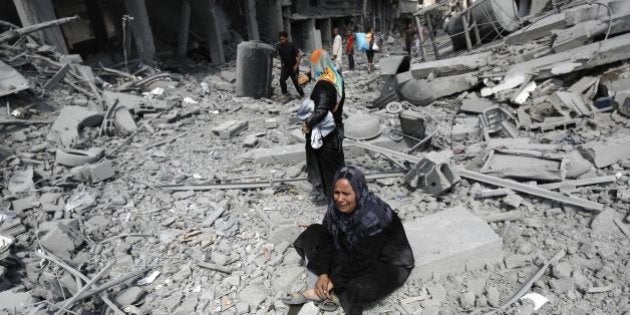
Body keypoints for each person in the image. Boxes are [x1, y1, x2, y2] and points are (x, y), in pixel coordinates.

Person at [281, 166, 415, 314]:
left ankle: (323, 293)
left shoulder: (374, 215)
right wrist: (324, 273)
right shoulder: (337, 205)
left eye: (346, 194)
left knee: (357, 286)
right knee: (313, 233)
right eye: (336, 192)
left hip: (386, 263)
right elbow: (327, 236)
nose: (340, 198)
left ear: (358, 193)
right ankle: (328, 291)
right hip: (353, 250)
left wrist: (333, 279)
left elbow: (363, 261)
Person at [301, 49, 345, 203]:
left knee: (327, 170)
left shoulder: (323, 85)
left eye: (313, 64)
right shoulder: (336, 77)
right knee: (337, 167)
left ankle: (332, 201)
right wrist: (309, 77)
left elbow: (321, 110)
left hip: (325, 136)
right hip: (336, 129)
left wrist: (307, 123)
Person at [277, 31, 304, 99]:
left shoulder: (291, 45)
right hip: (285, 67)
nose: (282, 41)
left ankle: (302, 95)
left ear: (286, 38)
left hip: (293, 67)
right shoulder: (280, 47)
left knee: (297, 83)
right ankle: (285, 94)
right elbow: (281, 57)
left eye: (283, 39)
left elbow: (299, 56)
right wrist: (281, 65)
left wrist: (296, 66)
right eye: (280, 39)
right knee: (281, 80)